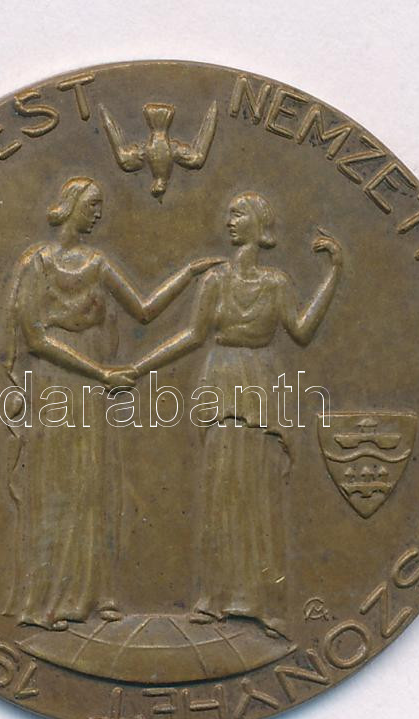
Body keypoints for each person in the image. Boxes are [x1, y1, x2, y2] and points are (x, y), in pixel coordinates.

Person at [3, 176, 220, 630]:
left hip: (90, 387)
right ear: (70, 207)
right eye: (92, 204)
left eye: (100, 205)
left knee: (91, 484)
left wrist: (187, 275)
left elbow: (144, 310)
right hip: (58, 382)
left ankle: (88, 595)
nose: (98, 213)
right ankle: (47, 602)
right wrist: (101, 373)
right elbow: (36, 338)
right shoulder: (37, 264)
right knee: (57, 485)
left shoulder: (98, 263)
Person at [132, 191, 343, 638]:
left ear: (258, 225)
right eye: (229, 214)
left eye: (238, 214)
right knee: (222, 486)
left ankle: (264, 602)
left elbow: (302, 330)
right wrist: (139, 366)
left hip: (262, 381)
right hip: (222, 377)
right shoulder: (215, 281)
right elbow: (192, 336)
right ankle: (216, 598)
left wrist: (332, 275)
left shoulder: (277, 283)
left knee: (261, 491)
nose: (229, 221)